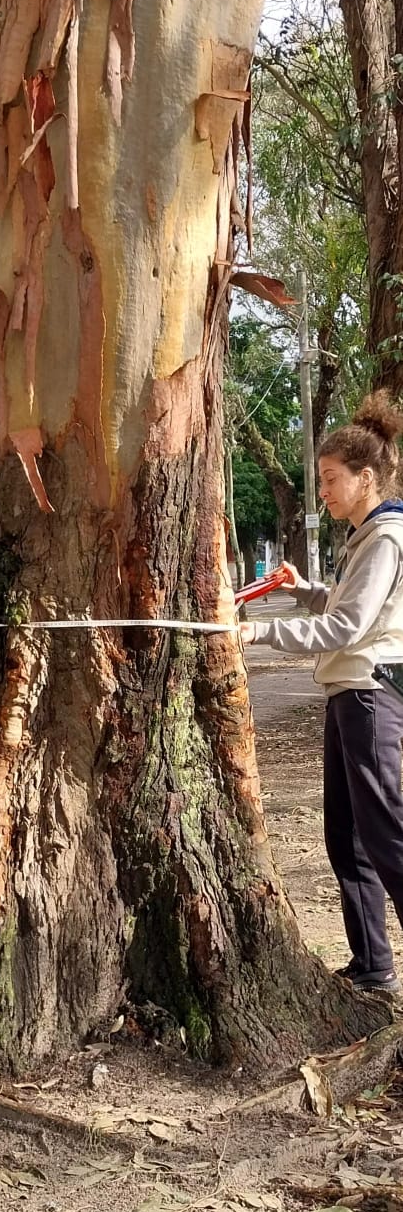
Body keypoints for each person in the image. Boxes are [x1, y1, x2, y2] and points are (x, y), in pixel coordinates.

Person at [242, 391, 403, 995]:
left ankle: (376, 964)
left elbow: (349, 627)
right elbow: (342, 607)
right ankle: (372, 965)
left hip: (369, 693)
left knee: (385, 833)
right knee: (347, 835)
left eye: (333, 480)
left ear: (367, 478)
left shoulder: (386, 537)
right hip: (348, 694)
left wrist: (260, 632)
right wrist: (305, 588)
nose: (325, 492)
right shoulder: (366, 537)